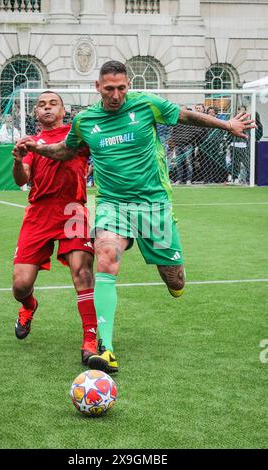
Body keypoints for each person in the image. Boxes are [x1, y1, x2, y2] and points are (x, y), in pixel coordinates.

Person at [14, 61, 255, 374]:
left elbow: (186, 115)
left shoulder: (146, 105)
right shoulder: (86, 121)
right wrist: (38, 148)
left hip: (154, 205)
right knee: (104, 255)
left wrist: (228, 125)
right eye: (110, 89)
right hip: (113, 205)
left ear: (127, 86)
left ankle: (170, 274)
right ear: (97, 88)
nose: (116, 95)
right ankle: (106, 348)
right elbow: (65, 151)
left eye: (121, 88)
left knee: (175, 281)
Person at [11, 91, 97, 366]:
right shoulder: (31, 142)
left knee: (82, 273)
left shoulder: (78, 135)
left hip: (73, 210)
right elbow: (21, 179)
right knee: (20, 285)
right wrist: (17, 159)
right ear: (36, 114)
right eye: (41, 105)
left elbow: (70, 153)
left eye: (53, 104)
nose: (47, 108)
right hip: (39, 213)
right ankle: (29, 306)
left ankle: (90, 340)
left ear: (63, 110)